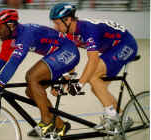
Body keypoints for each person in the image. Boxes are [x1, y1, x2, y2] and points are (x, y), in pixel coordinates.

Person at [0, 8, 80, 136]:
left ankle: (47, 121)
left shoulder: (26, 34)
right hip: (57, 53)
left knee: (31, 76)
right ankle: (59, 125)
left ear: (11, 25)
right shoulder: (9, 39)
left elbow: (14, 63)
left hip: (68, 50)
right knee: (31, 92)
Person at [49, 3, 138, 132]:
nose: (55, 27)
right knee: (98, 88)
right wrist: (68, 77)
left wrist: (79, 85)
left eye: (57, 23)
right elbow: (70, 58)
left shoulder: (88, 29)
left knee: (93, 77)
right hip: (112, 50)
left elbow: (93, 60)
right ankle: (124, 118)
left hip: (126, 44)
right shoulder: (69, 33)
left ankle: (113, 118)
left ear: (68, 20)